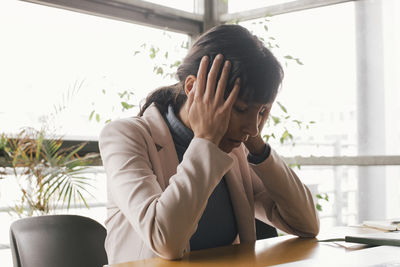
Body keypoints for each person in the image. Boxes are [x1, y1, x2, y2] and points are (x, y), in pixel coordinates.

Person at [99, 24, 319, 264]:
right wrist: (206, 140)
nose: (253, 127)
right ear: (193, 88)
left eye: (262, 112)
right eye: (241, 108)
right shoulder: (124, 136)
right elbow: (166, 240)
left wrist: (256, 145)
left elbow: (306, 225)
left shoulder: (237, 149)